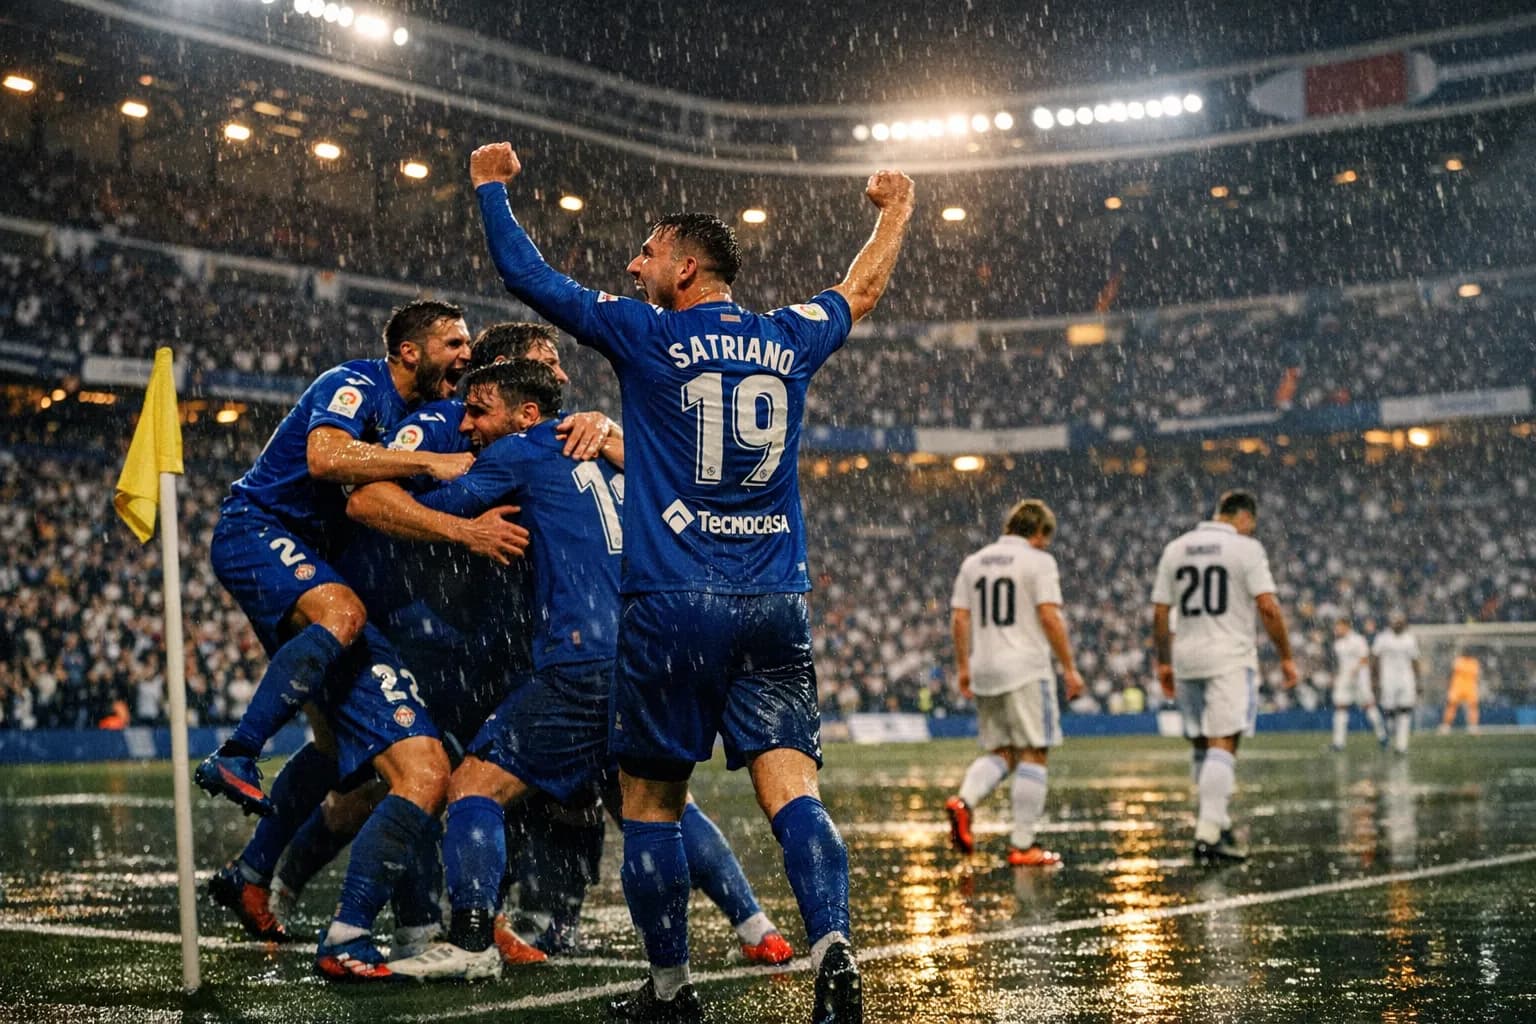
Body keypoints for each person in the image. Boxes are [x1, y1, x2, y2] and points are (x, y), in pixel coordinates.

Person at [471, 139, 913, 1024]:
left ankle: (671, 991)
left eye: (647, 252)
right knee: (794, 793)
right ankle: (833, 947)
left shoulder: (647, 334)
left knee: (650, 804)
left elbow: (529, 278)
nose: (633, 266)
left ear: (685, 268)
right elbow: (860, 290)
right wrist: (897, 209)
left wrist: (489, 189)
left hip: (672, 604)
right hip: (775, 601)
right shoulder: (787, 336)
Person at [196, 300, 525, 817]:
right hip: (257, 527)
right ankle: (237, 753)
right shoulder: (355, 384)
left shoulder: (416, 413)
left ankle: (257, 861)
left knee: (331, 743)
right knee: (344, 613)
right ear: (410, 352)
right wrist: (429, 462)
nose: (467, 353)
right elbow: (324, 457)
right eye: (455, 343)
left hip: (310, 552)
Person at [1151, 490, 1298, 866]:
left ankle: (1218, 821)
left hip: (1186, 656)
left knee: (1202, 744)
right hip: (1228, 657)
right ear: (1244, 517)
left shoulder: (1176, 548)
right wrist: (1286, 656)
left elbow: (1161, 611)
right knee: (1224, 742)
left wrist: (1164, 662)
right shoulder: (1246, 549)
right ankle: (1208, 835)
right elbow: (1268, 607)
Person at [944, 499, 1084, 868]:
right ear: (1038, 533)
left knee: (1001, 752)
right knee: (1034, 752)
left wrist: (964, 667)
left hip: (985, 667)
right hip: (1025, 668)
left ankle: (964, 801)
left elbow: (959, 619)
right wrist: (1069, 667)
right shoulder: (1038, 561)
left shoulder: (974, 563)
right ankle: (1024, 844)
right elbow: (1049, 616)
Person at [1329, 617, 1387, 751]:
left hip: (1360, 678)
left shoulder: (1358, 640)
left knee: (1369, 706)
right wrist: (1338, 676)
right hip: (1345, 678)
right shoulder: (1338, 644)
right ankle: (1338, 743)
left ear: (1346, 626)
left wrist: (1355, 670)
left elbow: (1365, 658)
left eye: (1339, 626)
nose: (1336, 629)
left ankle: (1382, 737)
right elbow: (1341, 664)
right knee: (1340, 707)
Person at [1372, 613, 1421, 754]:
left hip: (1406, 679)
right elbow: (1374, 658)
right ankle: (1389, 736)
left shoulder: (1410, 639)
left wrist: (1418, 681)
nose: (1398, 624)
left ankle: (1401, 745)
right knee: (1389, 711)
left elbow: (1415, 660)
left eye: (1401, 621)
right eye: (1396, 621)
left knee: (1405, 710)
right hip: (1388, 679)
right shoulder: (1382, 638)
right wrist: (1374, 679)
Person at [1439, 648, 1481, 735]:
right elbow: (1451, 673)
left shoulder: (1474, 662)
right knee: (1451, 706)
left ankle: (1473, 727)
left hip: (1470, 687)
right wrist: (1448, 684)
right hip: (1457, 686)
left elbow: (1477, 677)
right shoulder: (1458, 661)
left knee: (1473, 707)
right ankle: (1446, 726)